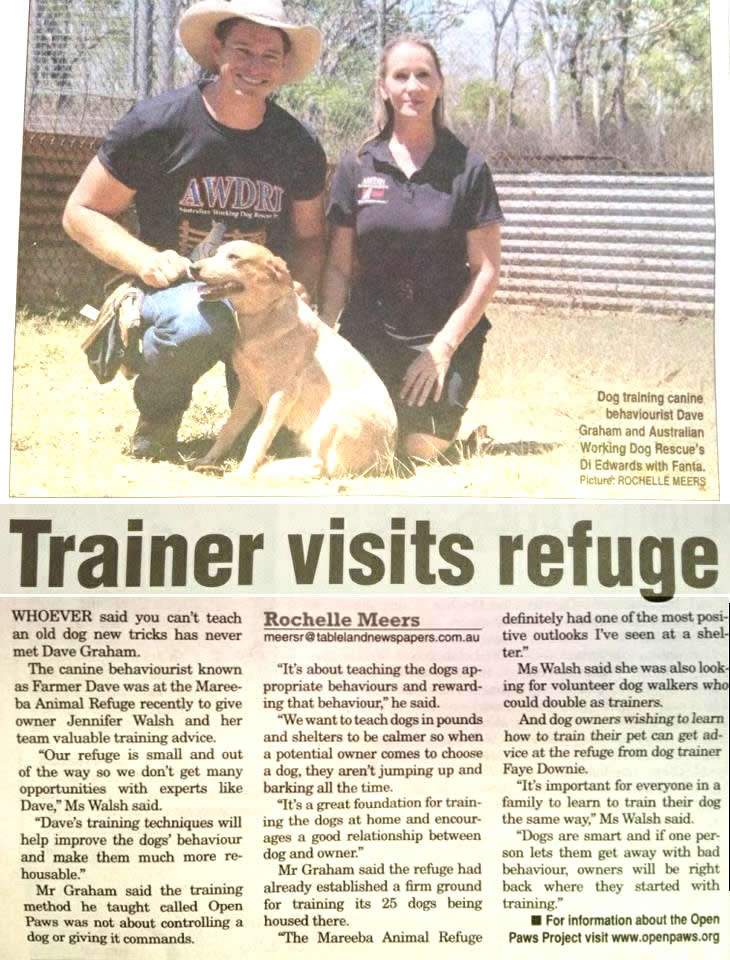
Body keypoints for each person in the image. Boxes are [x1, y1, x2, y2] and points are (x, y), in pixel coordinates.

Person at [63, 0, 326, 458]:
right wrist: (143, 259)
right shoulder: (157, 124)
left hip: (259, 299)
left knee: (268, 444)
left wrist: (300, 285)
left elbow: (309, 238)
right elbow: (80, 212)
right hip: (179, 289)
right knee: (194, 325)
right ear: (216, 47)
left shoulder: (297, 145)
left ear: (283, 66)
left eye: (269, 57)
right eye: (243, 50)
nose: (255, 67)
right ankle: (158, 419)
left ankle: (249, 423)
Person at [321, 35, 503, 463]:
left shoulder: (467, 166)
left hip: (439, 336)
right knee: (365, 448)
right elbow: (338, 266)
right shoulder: (358, 164)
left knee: (416, 452)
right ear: (383, 86)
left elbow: (486, 271)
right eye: (400, 76)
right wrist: (326, 333)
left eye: (423, 75)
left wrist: (441, 348)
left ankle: (454, 438)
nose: (412, 87)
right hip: (371, 332)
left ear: (439, 84)